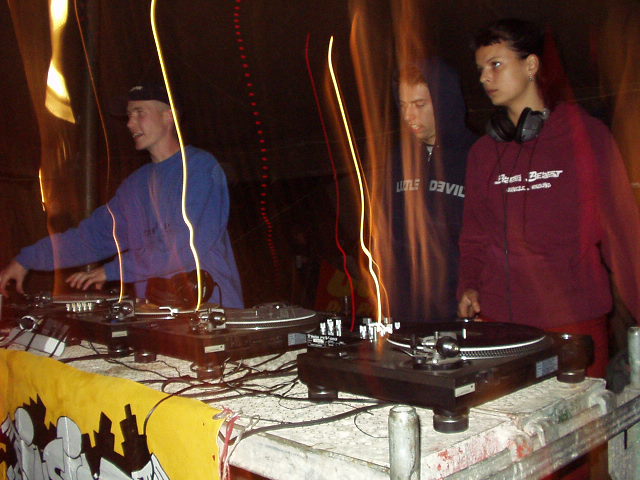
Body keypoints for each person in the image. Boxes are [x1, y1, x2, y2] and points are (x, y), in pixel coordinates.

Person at [457, 18, 640, 378]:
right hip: (501, 327)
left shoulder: (586, 138)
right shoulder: (482, 153)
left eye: (496, 64)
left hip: (574, 323)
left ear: (531, 65)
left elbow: (623, 234)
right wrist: (470, 285)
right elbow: (474, 236)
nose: (484, 78)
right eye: (480, 69)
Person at [0, 82, 244, 308]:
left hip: (210, 313)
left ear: (168, 116)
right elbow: (92, 237)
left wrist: (113, 270)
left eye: (139, 113)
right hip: (156, 314)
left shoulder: (200, 168)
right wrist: (26, 259)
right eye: (129, 115)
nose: (129, 123)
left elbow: (186, 244)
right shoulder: (135, 186)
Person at [387, 59, 476, 322]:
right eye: (403, 105)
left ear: (444, 101)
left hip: (460, 309)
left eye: (419, 105)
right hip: (405, 311)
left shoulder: (476, 156)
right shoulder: (397, 161)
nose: (408, 116)